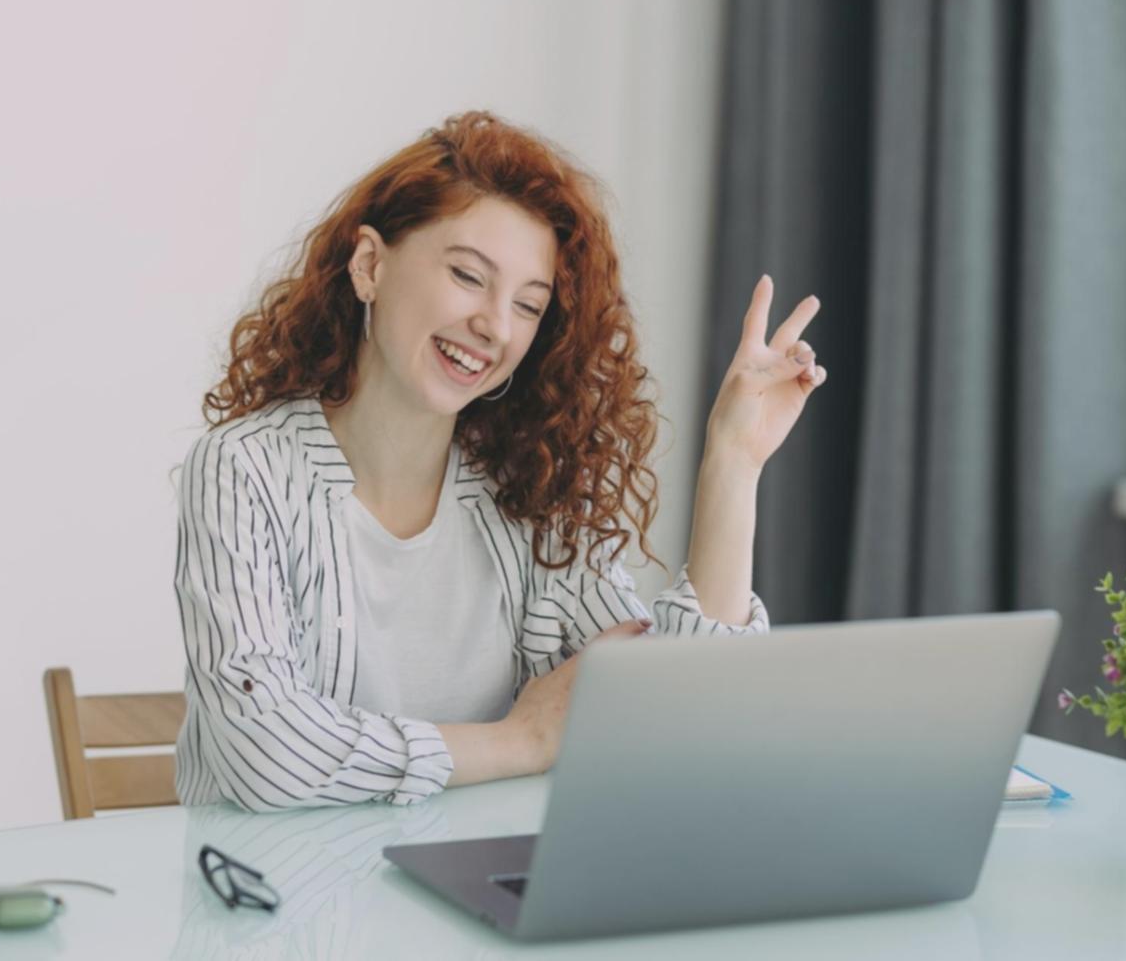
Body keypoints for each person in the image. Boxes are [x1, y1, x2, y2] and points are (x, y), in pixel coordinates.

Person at [173, 111, 826, 811]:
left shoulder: (526, 492)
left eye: (528, 306)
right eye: (467, 275)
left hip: (476, 876)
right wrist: (523, 740)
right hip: (267, 884)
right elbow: (266, 755)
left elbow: (679, 716)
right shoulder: (243, 469)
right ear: (369, 265)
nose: (494, 326)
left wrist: (733, 461)